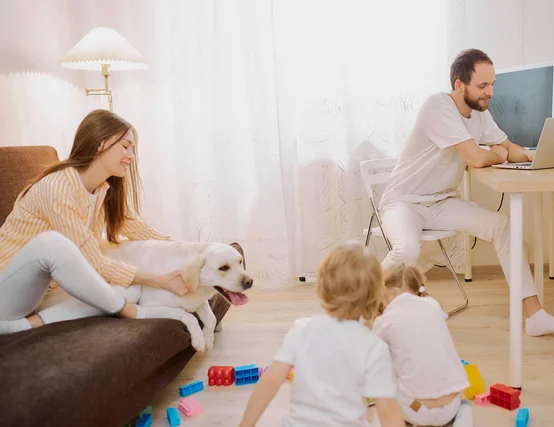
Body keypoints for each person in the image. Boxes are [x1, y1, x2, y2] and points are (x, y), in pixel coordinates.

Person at [378, 48, 554, 337]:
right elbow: (476, 158)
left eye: (492, 85)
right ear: (459, 85)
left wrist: (537, 156)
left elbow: (507, 147)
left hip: (440, 202)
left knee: (502, 226)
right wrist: (498, 155)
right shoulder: (438, 107)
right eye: (482, 86)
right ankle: (360, 306)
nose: (490, 93)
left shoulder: (478, 114)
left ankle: (534, 315)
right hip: (404, 201)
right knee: (407, 249)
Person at [0, 109, 229, 334]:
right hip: (8, 291)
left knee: (127, 291)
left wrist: (189, 252)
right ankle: (128, 312)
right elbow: (92, 262)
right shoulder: (58, 187)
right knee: (53, 243)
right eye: (125, 146)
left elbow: (136, 227)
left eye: (132, 149)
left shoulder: (101, 189)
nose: (131, 156)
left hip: (44, 294)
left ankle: (30, 323)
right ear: (101, 143)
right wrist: (157, 280)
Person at [239, 241, 406, 427]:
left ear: (323, 287)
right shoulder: (374, 347)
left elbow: (271, 379)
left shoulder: (302, 329)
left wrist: (246, 424)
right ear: (375, 295)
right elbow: (387, 412)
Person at [373, 264, 472, 427]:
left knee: (382, 379)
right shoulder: (433, 306)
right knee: (464, 405)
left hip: (415, 409)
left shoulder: (384, 321)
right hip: (451, 406)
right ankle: (463, 418)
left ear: (384, 294)